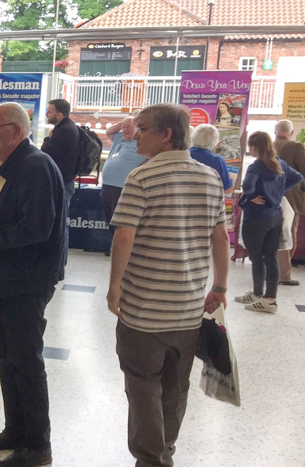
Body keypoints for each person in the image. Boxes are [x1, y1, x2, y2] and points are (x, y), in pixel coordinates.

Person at [107, 103, 229, 467]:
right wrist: (219, 288)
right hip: (189, 308)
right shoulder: (210, 177)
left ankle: (152, 459)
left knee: (143, 385)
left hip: (144, 310)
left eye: (142, 129)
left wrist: (114, 286)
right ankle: (166, 449)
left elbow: (125, 237)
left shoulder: (141, 177)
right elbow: (220, 238)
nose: (135, 134)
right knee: (176, 388)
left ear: (167, 135)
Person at [0, 102, 65, 467]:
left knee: (25, 360)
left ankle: (38, 445)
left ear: (16, 131)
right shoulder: (12, 165)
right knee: (6, 355)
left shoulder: (35, 166)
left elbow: (37, 229)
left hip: (27, 278)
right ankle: (15, 431)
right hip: (6, 276)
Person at [235, 131, 304, 313]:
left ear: (255, 147)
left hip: (256, 217)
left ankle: (259, 294)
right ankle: (269, 298)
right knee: (271, 257)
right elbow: (298, 177)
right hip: (274, 216)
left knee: (257, 258)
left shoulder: (256, 166)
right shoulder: (279, 163)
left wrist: (251, 196)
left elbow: (248, 186)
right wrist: (279, 191)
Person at [41, 98, 78, 268]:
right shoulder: (67, 127)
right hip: (65, 180)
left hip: (63, 182)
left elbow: (46, 151)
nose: (47, 114)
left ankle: (59, 260)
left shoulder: (64, 131)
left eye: (50, 111)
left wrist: (48, 139)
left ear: (59, 114)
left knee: (61, 221)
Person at [101, 114, 146, 238]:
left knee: (121, 223)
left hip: (123, 188)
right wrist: (122, 123)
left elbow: (155, 157)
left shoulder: (142, 142)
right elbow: (108, 131)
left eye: (129, 127)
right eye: (124, 127)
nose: (125, 129)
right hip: (107, 186)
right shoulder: (119, 138)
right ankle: (114, 246)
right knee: (110, 220)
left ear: (137, 129)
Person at [273, 119, 305, 285]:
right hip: (292, 196)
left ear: (275, 131)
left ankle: (270, 268)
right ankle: (285, 272)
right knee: (289, 232)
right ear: (291, 133)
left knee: (271, 232)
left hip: (270, 195)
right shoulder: (297, 147)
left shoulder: (269, 145)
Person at [190, 124, 234, 194]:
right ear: (215, 141)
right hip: (207, 201)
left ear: (193, 137)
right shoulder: (217, 161)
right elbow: (227, 190)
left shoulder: (183, 155)